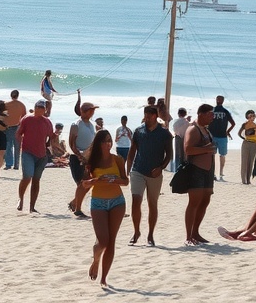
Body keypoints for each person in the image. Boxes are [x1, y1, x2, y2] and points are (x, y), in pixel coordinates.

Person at [78, 130, 127, 287]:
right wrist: (93, 180)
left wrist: (115, 179)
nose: (108, 144)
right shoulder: (92, 161)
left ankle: (104, 278)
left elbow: (125, 181)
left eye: (109, 141)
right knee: (103, 241)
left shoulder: (117, 159)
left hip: (117, 202)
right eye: (104, 141)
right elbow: (84, 184)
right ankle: (96, 260)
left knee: (111, 241)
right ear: (98, 143)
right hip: (98, 202)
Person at [126, 105, 172, 246]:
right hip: (138, 170)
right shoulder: (138, 131)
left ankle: (150, 235)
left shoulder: (165, 134)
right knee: (135, 202)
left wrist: (161, 167)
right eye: (144, 116)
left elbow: (169, 155)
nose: (145, 119)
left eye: (148, 116)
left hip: (154, 173)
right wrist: (127, 170)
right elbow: (132, 151)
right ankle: (136, 232)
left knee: (152, 204)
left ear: (155, 116)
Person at [183, 103, 217, 246]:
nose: (213, 117)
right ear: (201, 114)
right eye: (210, 114)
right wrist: (206, 149)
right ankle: (188, 236)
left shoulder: (206, 130)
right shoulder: (193, 129)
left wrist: (210, 150)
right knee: (194, 203)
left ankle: (196, 232)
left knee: (205, 201)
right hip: (196, 170)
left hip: (208, 171)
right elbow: (188, 150)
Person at [16, 100, 56, 213]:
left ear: (45, 110)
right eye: (37, 107)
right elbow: (18, 133)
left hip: (41, 155)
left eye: (42, 108)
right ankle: (21, 199)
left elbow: (50, 136)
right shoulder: (27, 119)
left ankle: (32, 207)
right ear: (34, 108)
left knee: (36, 180)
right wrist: (20, 146)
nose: (39, 109)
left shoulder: (47, 122)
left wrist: (53, 140)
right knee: (27, 176)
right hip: (27, 152)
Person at [66, 92, 98, 217]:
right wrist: (79, 156)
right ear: (84, 111)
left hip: (89, 157)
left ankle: (74, 203)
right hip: (77, 157)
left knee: (89, 182)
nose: (92, 113)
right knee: (81, 183)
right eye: (91, 110)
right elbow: (71, 142)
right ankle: (78, 209)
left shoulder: (91, 125)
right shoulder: (76, 124)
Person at [208, 95, 234, 181]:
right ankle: (216, 173)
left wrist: (227, 131)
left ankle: (219, 173)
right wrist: (228, 131)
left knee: (219, 155)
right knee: (216, 155)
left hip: (218, 136)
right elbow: (233, 124)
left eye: (220, 99)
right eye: (218, 99)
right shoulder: (219, 111)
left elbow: (233, 123)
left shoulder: (214, 111)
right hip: (216, 136)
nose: (219, 100)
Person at [4, 90, 27, 170]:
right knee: (17, 146)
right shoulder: (21, 105)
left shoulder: (6, 104)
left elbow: (2, 115)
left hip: (8, 127)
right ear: (18, 96)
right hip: (18, 127)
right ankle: (16, 165)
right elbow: (24, 117)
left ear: (11, 95)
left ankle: (8, 164)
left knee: (8, 146)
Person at [237, 110, 256, 185]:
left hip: (254, 144)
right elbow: (239, 133)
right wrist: (244, 138)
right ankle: (244, 180)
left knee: (251, 162)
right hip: (246, 143)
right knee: (244, 162)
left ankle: (248, 179)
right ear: (247, 117)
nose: (252, 117)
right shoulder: (245, 124)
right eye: (250, 116)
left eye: (253, 116)